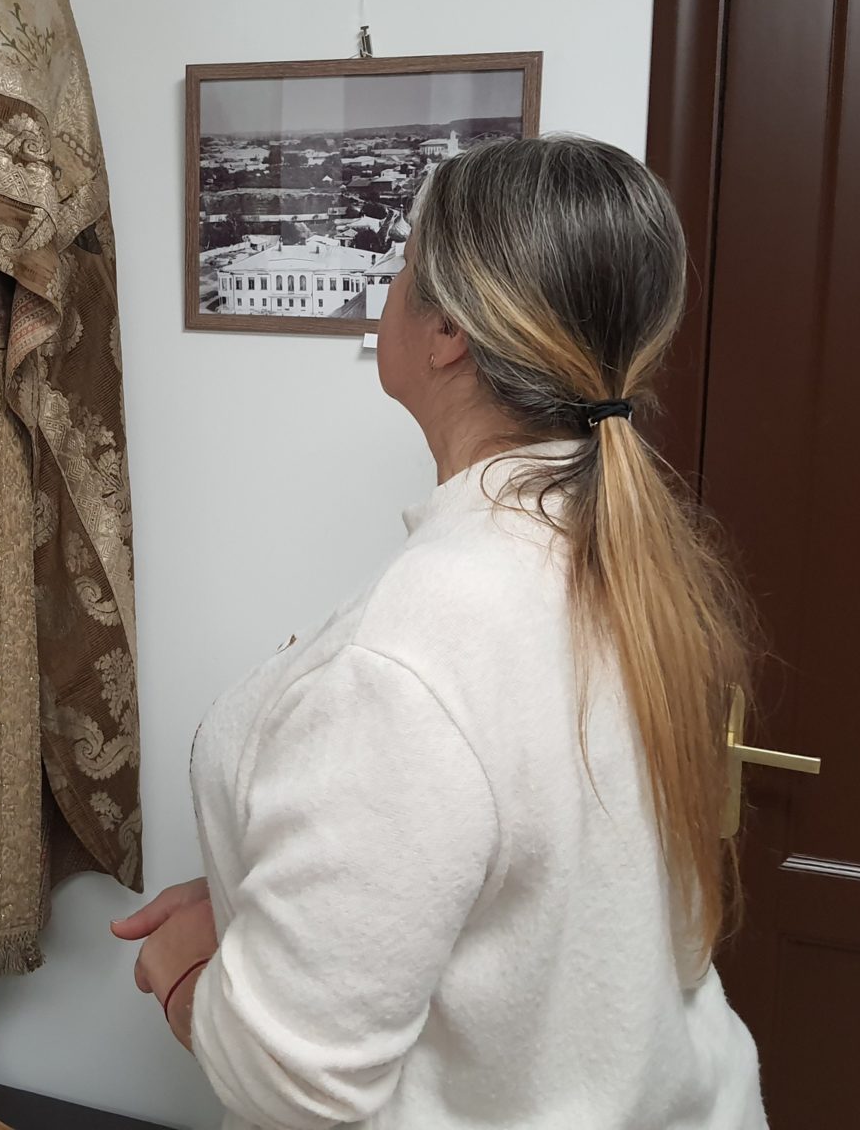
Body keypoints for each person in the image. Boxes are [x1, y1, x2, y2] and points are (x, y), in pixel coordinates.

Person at [112, 136, 766, 1128]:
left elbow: (296, 1078)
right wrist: (262, 901)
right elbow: (548, 886)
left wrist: (187, 976)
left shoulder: (415, 653)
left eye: (403, 264)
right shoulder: (630, 575)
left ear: (449, 330)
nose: (390, 288)